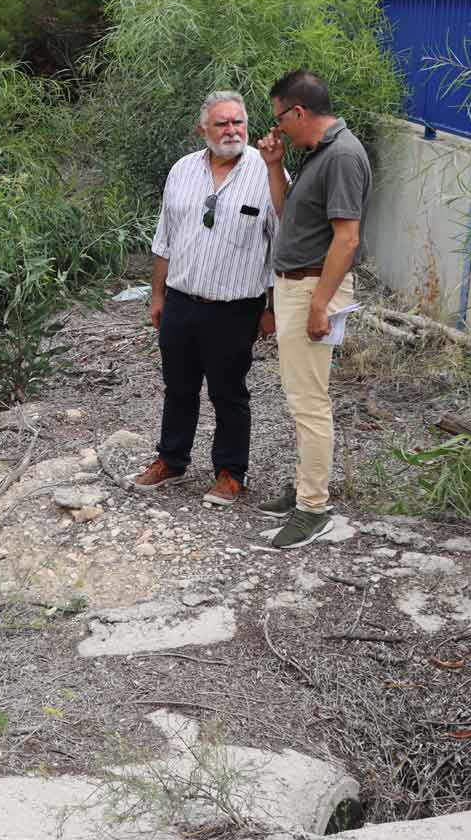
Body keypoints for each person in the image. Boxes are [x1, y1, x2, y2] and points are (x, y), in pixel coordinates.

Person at [133, 91, 279, 507]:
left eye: (238, 122)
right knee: (178, 387)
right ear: (202, 130)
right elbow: (165, 238)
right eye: (222, 123)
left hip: (235, 308)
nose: (232, 130)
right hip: (181, 301)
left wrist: (272, 308)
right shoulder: (182, 170)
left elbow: (279, 246)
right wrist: (157, 294)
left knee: (228, 393)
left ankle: (231, 473)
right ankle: (171, 459)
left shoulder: (268, 173)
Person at [254, 69, 371, 549]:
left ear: (298, 111)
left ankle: (313, 509)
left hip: (312, 288)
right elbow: (290, 218)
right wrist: (273, 166)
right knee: (300, 396)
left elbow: (348, 238)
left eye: (280, 118)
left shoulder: (341, 156)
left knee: (309, 402)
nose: (277, 127)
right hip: (298, 286)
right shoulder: (318, 154)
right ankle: (306, 488)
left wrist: (320, 304)